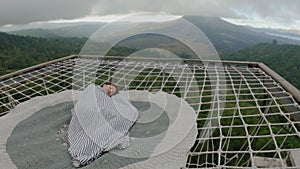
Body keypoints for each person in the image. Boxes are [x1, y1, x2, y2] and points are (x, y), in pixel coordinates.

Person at [66, 82, 138, 167]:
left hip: (102, 116)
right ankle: (84, 146)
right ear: (103, 84)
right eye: (110, 88)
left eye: (112, 92)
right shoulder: (93, 88)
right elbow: (87, 101)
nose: (110, 92)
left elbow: (109, 107)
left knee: (117, 119)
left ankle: (86, 148)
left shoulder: (108, 99)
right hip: (90, 112)